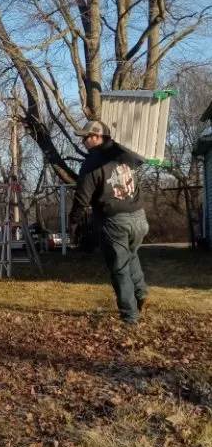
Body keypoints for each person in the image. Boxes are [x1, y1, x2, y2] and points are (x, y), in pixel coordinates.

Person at [69, 121, 150, 325]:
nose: (83, 140)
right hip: (139, 218)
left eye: (86, 136)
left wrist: (73, 223)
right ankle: (141, 295)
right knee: (131, 255)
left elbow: (81, 199)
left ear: (98, 136)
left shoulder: (92, 163)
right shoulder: (127, 153)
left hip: (115, 221)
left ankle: (130, 317)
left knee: (119, 269)